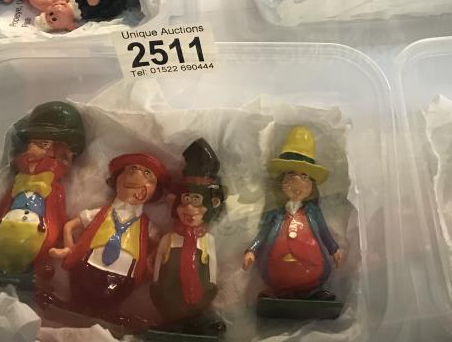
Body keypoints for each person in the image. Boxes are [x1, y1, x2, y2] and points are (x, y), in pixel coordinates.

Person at [0, 102, 85, 282]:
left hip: (37, 230)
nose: (32, 150)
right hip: (8, 226)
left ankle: (30, 270)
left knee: (38, 242)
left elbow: (58, 215)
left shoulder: (53, 186)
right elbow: (2, 208)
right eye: (33, 143)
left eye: (43, 144)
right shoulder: (19, 179)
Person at [42, 153, 169, 326]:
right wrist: (70, 248)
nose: (137, 176)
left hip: (123, 276)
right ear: (117, 180)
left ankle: (109, 315)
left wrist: (150, 261)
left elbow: (162, 243)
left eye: (147, 174)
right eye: (132, 170)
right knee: (81, 294)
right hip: (88, 266)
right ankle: (73, 307)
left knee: (111, 303)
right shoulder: (100, 213)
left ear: (154, 190)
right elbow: (69, 226)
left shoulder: (147, 226)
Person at [243, 127, 344, 304]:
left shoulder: (313, 212)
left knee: (314, 275)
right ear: (281, 182)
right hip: (277, 266)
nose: (297, 184)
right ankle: (280, 294)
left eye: (305, 177)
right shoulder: (275, 212)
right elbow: (263, 233)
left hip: (311, 264)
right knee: (276, 275)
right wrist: (252, 250)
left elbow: (324, 232)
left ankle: (311, 293)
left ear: (311, 186)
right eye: (291, 176)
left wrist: (333, 249)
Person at [151, 139, 226, 336]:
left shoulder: (207, 240)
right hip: (168, 293)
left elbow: (212, 267)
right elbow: (158, 264)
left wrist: (211, 287)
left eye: (197, 202)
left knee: (195, 314)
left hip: (200, 294)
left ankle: (194, 324)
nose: (190, 209)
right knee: (171, 310)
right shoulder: (168, 238)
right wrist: (156, 284)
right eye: (185, 201)